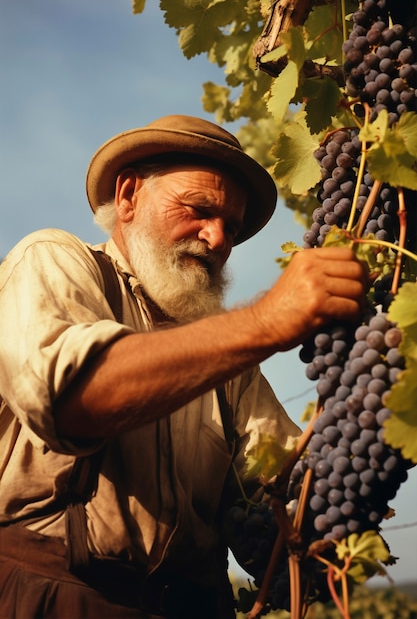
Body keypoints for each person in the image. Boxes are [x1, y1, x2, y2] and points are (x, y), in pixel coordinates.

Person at [0, 115, 368, 619]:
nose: (217, 239)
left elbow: (286, 495)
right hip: (56, 598)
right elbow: (76, 399)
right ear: (128, 195)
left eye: (231, 228)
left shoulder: (231, 366)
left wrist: (379, 411)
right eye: (199, 209)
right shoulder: (55, 261)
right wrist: (267, 321)